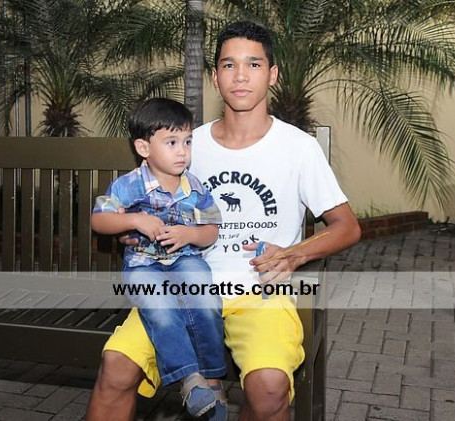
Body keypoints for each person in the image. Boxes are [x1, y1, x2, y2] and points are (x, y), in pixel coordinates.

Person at [87, 21, 361, 421]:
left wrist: (294, 254)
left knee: (269, 389)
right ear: (215, 78)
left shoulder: (298, 148)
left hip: (258, 292)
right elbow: (138, 201)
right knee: (116, 367)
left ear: (272, 74)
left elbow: (347, 226)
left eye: (254, 64)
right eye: (229, 65)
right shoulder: (185, 144)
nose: (241, 76)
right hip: (179, 286)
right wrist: (135, 227)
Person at [91, 98, 226, 418]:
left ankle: (212, 379)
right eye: (171, 142)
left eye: (187, 142)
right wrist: (134, 220)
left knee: (205, 297)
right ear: (143, 147)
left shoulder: (194, 187)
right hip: (143, 264)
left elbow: (211, 230)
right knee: (161, 307)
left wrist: (189, 235)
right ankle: (189, 380)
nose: (183, 151)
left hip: (185, 258)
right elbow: (99, 220)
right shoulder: (128, 186)